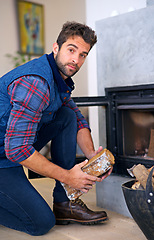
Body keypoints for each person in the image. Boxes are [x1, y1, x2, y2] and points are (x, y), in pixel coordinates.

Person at [0, 21, 112, 236]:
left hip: (7, 150)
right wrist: (68, 177)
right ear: (56, 48)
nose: (76, 60)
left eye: (83, 55)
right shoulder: (36, 82)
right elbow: (18, 150)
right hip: (8, 152)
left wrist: (92, 157)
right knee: (41, 223)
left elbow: (77, 120)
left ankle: (64, 204)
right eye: (71, 50)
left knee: (66, 116)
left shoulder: (60, 80)